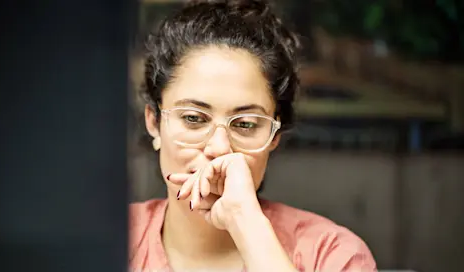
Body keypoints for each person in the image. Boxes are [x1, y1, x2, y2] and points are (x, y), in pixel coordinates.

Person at [129, 0, 377, 271]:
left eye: (246, 124)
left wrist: (245, 223)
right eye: (193, 119)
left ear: (274, 135)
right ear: (153, 122)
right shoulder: (107, 240)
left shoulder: (332, 254)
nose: (220, 148)